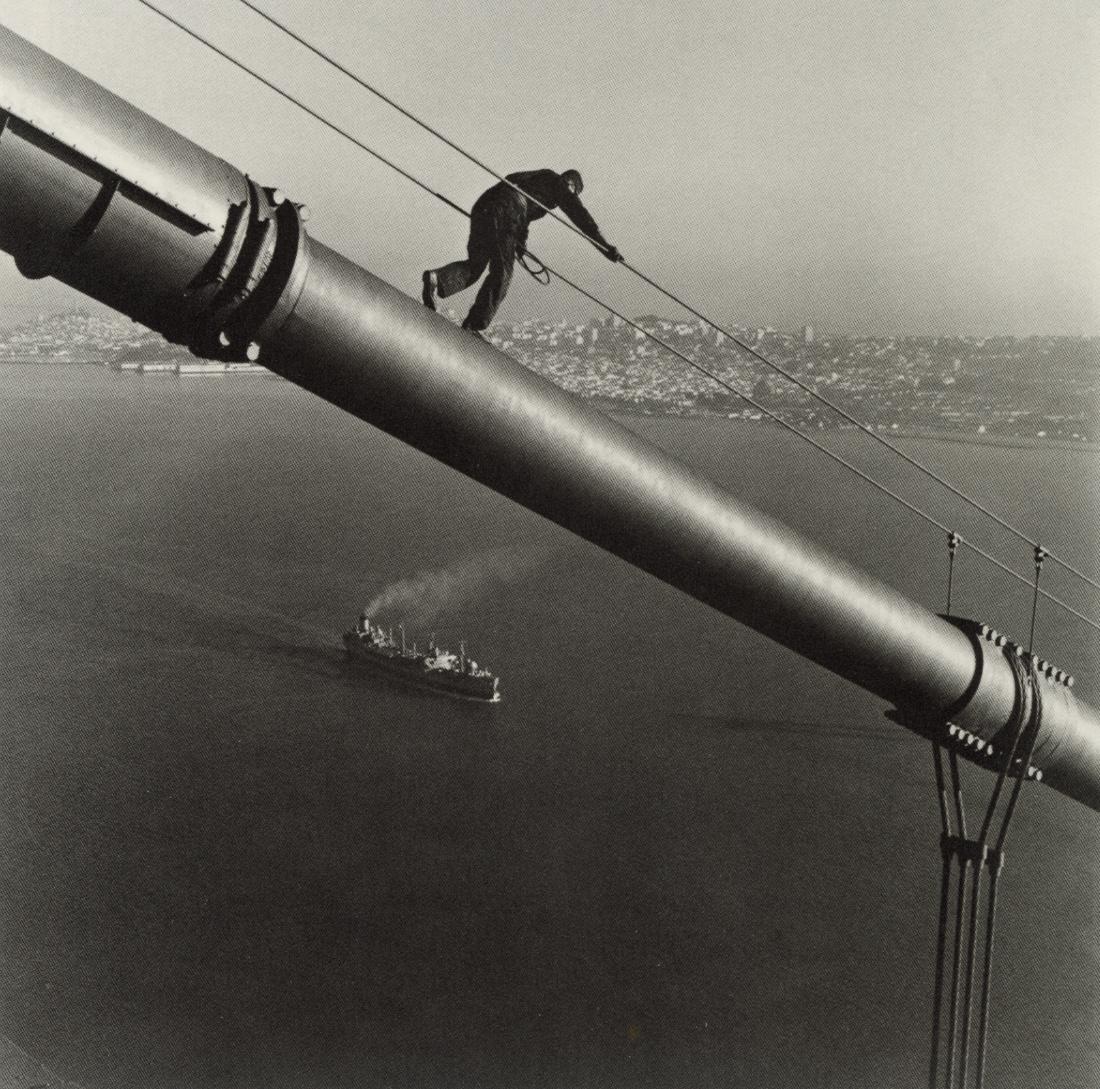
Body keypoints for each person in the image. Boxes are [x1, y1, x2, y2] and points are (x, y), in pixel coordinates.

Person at [421, 168, 622, 335]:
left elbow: (518, 204)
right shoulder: (560, 185)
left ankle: (437, 278)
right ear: (572, 186)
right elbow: (581, 217)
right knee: (503, 273)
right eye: (574, 193)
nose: (570, 197)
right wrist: (605, 247)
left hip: (484, 205)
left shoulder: (536, 177)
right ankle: (474, 324)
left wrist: (520, 242)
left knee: (476, 264)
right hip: (508, 211)